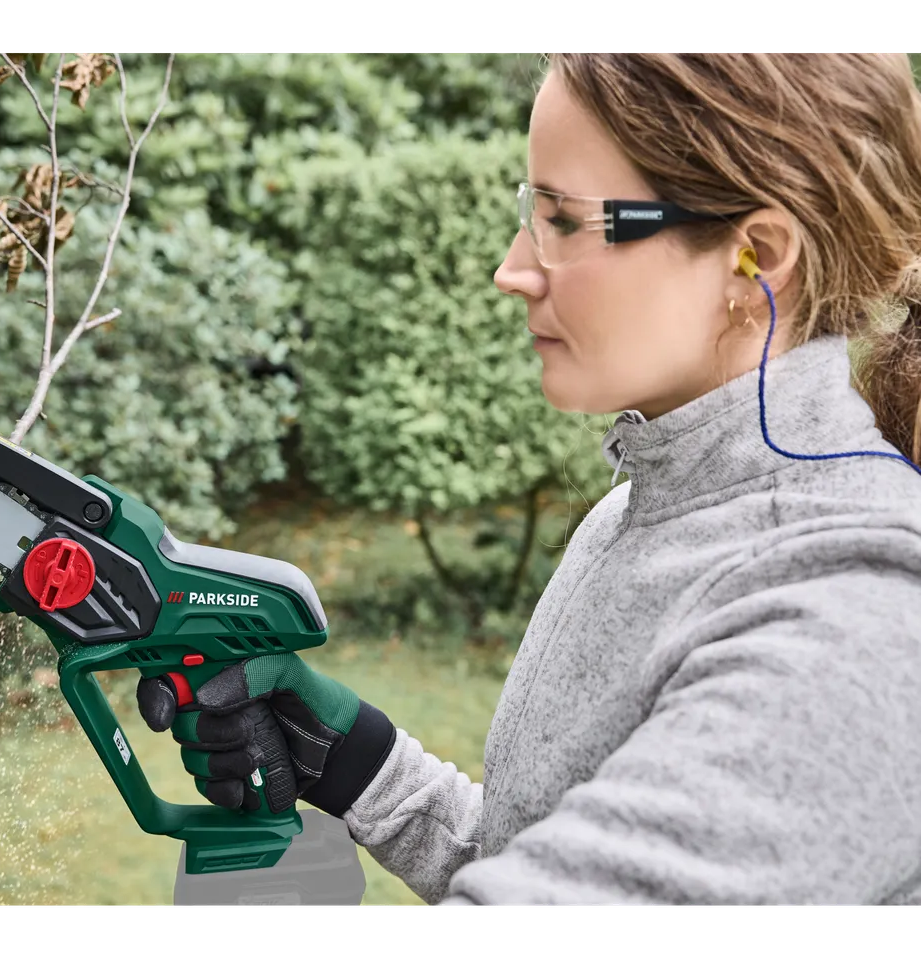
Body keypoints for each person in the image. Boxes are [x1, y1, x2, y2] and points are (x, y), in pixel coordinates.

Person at [136, 51, 921, 909]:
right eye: (530, 213)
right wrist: (357, 760)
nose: (511, 268)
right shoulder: (630, 515)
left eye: (565, 220)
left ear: (755, 258)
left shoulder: (855, 618)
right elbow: (542, 855)